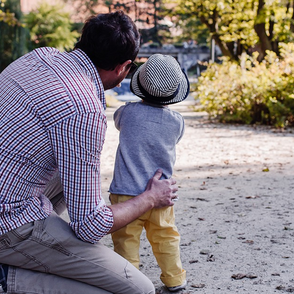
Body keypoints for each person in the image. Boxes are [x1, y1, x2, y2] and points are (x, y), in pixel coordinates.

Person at [0, 11, 179, 294]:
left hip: (10, 188)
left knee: (68, 169)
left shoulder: (40, 56)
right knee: (138, 289)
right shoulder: (83, 109)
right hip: (7, 222)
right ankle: (6, 278)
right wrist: (150, 197)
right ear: (124, 66)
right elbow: (90, 226)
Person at [109, 54, 189, 292]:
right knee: (166, 238)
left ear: (140, 86)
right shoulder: (177, 122)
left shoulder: (126, 113)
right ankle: (175, 279)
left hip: (125, 195)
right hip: (162, 194)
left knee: (126, 241)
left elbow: (116, 122)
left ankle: (129, 281)